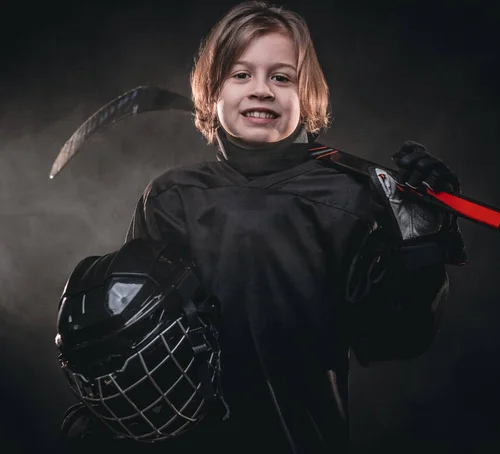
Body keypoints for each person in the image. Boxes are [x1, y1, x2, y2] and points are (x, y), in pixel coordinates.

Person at [59, 1, 467, 453]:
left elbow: (396, 338)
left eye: (281, 77)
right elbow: (137, 330)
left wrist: (420, 242)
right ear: (212, 93)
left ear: (307, 96)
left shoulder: (349, 199)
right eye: (240, 75)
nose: (261, 91)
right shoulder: (171, 197)